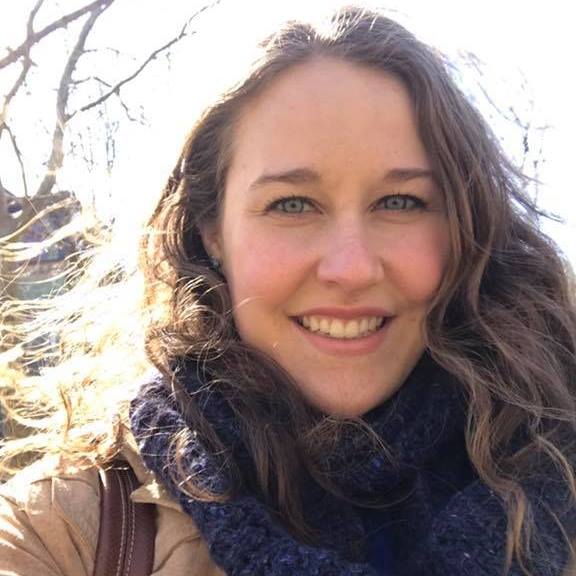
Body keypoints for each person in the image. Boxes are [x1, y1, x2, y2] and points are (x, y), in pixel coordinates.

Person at [1, 5, 575, 575]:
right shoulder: (65, 531)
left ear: (466, 230)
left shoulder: (560, 470)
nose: (351, 269)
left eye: (401, 202)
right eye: (292, 204)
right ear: (212, 231)